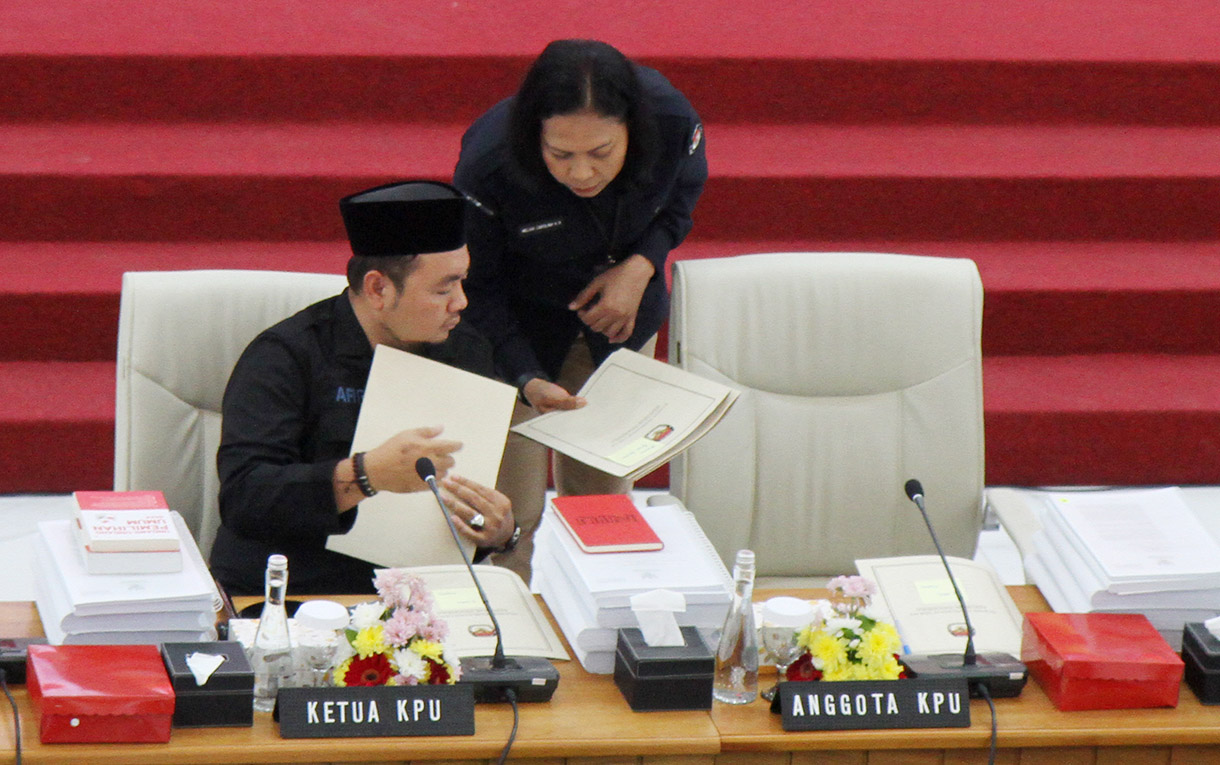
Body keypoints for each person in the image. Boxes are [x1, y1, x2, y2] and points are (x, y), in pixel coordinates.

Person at [453, 39, 708, 582]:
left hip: (619, 323)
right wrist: (525, 376)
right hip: (515, 330)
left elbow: (684, 194)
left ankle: (596, 621)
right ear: (534, 134)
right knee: (508, 510)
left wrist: (643, 264)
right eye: (561, 154)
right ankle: (512, 640)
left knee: (602, 502)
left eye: (601, 152)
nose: (582, 173)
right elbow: (479, 287)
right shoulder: (490, 164)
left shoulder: (670, 120)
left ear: (632, 130)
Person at [211, 180, 518, 596]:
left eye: (463, 282)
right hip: (297, 592)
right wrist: (365, 475)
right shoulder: (284, 356)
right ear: (378, 289)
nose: (461, 302)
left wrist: (498, 530)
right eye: (444, 288)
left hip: (419, 594)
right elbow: (245, 499)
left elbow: (465, 493)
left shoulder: (468, 351)